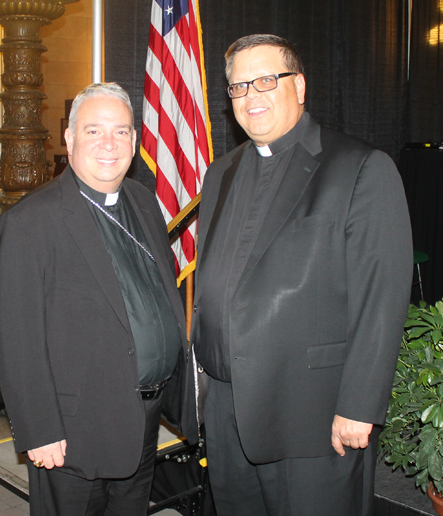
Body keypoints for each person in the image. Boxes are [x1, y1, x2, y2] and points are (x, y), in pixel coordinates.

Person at [185, 34, 413, 516]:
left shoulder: (360, 168)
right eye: (239, 87)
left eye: (267, 79)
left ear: (301, 86)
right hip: (227, 409)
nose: (251, 96)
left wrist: (359, 405)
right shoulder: (219, 173)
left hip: (312, 412)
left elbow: (381, 299)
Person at [0, 82, 187, 516]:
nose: (109, 144)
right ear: (70, 137)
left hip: (142, 419)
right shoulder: (30, 221)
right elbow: (15, 336)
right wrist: (38, 429)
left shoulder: (142, 200)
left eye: (121, 132)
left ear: (134, 141)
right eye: (94, 131)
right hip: (74, 430)